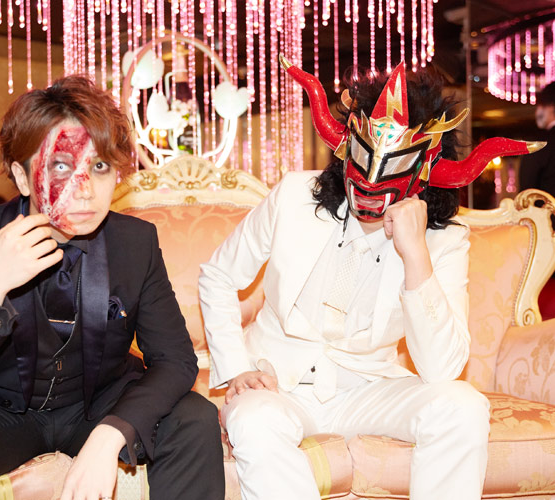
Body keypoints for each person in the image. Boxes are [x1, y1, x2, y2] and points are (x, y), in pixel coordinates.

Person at [199, 59, 541, 500]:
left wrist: (416, 255)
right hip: (277, 383)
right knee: (252, 421)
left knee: (464, 406)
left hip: (370, 389)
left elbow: (442, 370)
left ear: (422, 173)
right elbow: (218, 275)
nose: (369, 186)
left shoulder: (444, 239)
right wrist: (236, 368)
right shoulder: (292, 196)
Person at [0, 75, 225, 500]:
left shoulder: (135, 243)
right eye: (61, 166)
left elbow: (175, 360)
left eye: (99, 166)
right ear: (22, 177)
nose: (84, 190)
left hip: (97, 406)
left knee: (194, 417)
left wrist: (112, 433)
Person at [519, 81, 555, 197]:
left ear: (551, 106)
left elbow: (526, 193)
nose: (537, 111)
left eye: (540, 105)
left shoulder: (539, 144)